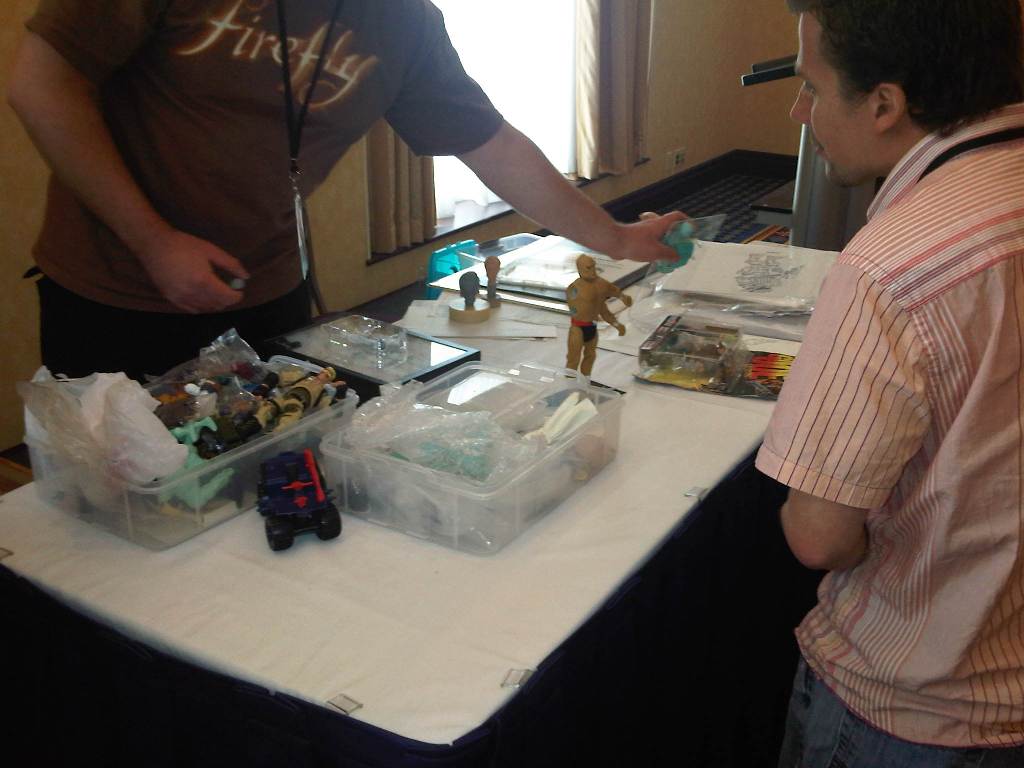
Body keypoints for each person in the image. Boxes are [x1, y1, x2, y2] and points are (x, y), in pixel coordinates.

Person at [6, 0, 684, 380]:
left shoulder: (405, 22)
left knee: (265, 479)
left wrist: (617, 238)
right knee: (116, 510)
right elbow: (40, 84)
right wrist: (153, 241)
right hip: (113, 291)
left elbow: (494, 145)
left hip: (266, 290)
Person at [755, 1, 1024, 765]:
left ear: (884, 104)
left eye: (812, 86)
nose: (800, 111)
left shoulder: (890, 265)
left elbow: (818, 536)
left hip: (915, 707)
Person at [565, 253, 631, 377]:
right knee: (573, 358)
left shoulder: (601, 284)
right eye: (588, 268)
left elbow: (604, 307)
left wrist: (617, 324)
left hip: (592, 326)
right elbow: (576, 307)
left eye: (593, 266)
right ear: (580, 269)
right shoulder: (574, 288)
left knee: (590, 356)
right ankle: (569, 383)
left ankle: (586, 382)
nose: (592, 270)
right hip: (577, 328)